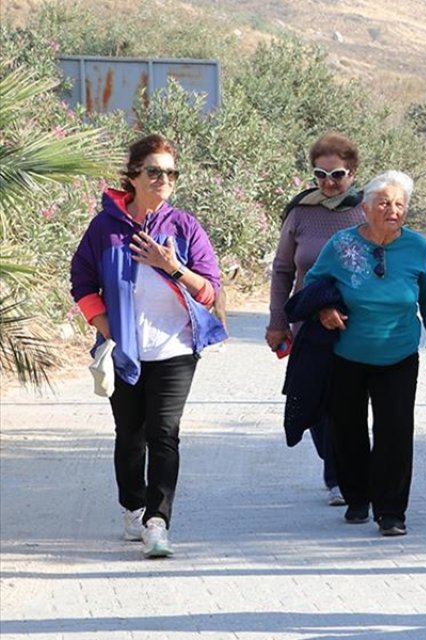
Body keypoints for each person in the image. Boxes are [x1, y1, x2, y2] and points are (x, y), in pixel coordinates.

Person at [69, 133, 228, 558]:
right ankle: (132, 506)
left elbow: (209, 291)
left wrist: (172, 267)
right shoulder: (105, 227)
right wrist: (107, 329)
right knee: (130, 435)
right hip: (125, 351)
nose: (163, 179)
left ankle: (157, 522)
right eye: (154, 171)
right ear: (133, 176)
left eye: (170, 173)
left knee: (164, 434)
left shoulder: (185, 226)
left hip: (176, 348)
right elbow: (82, 280)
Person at [305, 170, 426, 537]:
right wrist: (324, 310)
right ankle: (357, 497)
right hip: (347, 352)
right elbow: (313, 282)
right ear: (365, 208)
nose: (393, 210)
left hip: (399, 353)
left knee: (396, 431)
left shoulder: (416, 246)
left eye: (400, 204)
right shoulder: (341, 244)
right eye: (384, 203)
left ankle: (391, 511)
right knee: (347, 428)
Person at [266, 132, 365, 507]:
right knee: (313, 398)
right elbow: (282, 270)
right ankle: (334, 463)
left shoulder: (364, 210)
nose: (328, 183)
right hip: (307, 322)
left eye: (337, 174)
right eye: (319, 175)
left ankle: (339, 474)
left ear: (352, 173)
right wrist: (277, 322)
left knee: (348, 397)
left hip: (356, 321)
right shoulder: (300, 211)